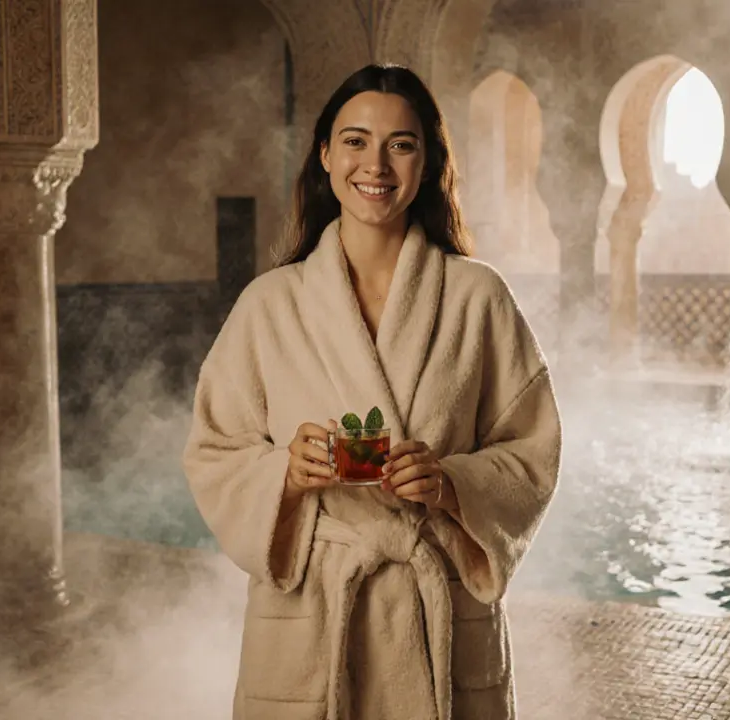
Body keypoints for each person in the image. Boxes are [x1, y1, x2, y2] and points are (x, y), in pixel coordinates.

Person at [182, 63, 562, 720]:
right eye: (355, 140)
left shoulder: (478, 297)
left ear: (426, 163)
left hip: (436, 609)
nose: (376, 165)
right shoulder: (269, 305)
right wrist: (287, 476)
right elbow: (214, 452)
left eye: (402, 144)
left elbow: (532, 450)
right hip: (312, 621)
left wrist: (451, 484)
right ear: (326, 155)